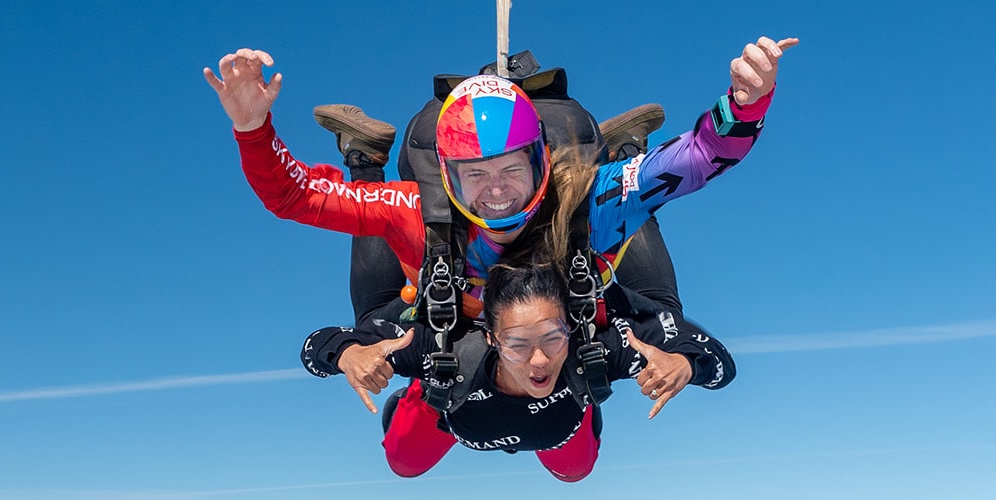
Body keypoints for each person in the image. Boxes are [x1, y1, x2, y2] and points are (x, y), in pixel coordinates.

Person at [204, 36, 798, 319]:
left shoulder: (585, 198)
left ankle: (623, 151)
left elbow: (702, 156)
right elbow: (293, 196)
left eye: (512, 168)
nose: (495, 191)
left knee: (656, 298)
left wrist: (743, 105)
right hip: (456, 305)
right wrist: (253, 129)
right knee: (378, 311)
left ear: (541, 160)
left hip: (553, 304)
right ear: (446, 176)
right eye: (474, 175)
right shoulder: (418, 208)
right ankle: (367, 158)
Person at [300, 256, 737, 481]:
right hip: (452, 398)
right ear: (490, 337)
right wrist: (350, 355)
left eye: (553, 338)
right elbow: (316, 347)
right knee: (402, 461)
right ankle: (367, 168)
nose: (540, 360)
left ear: (570, 328)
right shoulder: (441, 350)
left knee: (576, 472)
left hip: (555, 417)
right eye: (517, 345)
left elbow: (720, 367)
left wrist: (683, 365)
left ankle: (626, 175)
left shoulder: (595, 351)